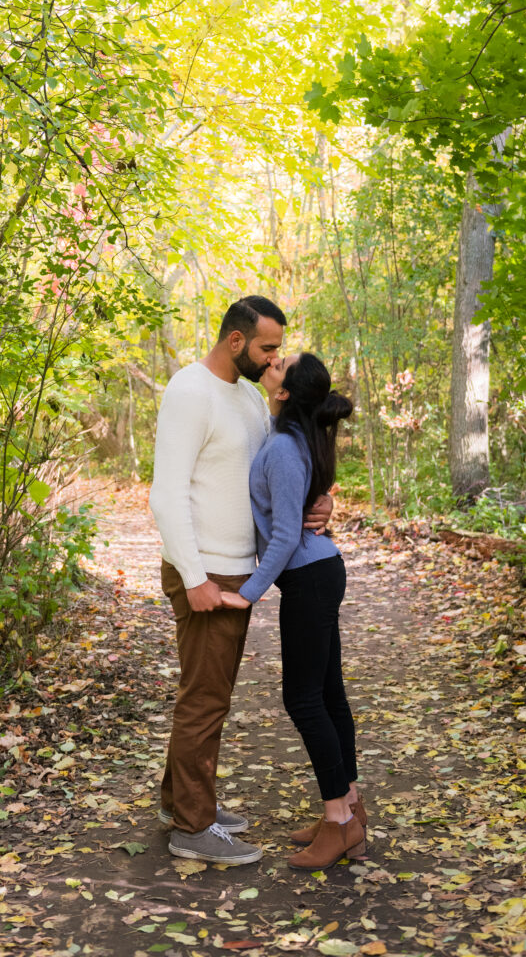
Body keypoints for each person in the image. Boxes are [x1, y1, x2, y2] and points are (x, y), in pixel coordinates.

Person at [149, 297, 332, 866]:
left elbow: (280, 467)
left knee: (208, 695)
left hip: (234, 568)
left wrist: (319, 500)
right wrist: (195, 577)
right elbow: (167, 494)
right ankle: (192, 828)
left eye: (279, 349)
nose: (275, 359)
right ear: (236, 341)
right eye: (267, 348)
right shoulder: (190, 391)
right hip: (206, 571)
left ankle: (181, 803)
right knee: (205, 700)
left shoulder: (250, 398)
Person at [221, 352, 366, 871]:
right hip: (319, 572)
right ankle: (351, 807)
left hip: (310, 577)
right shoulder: (293, 433)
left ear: (284, 392)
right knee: (327, 694)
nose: (274, 362)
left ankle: (339, 822)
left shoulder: (285, 445)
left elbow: (284, 536)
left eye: (282, 364)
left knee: (303, 700)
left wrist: (248, 593)